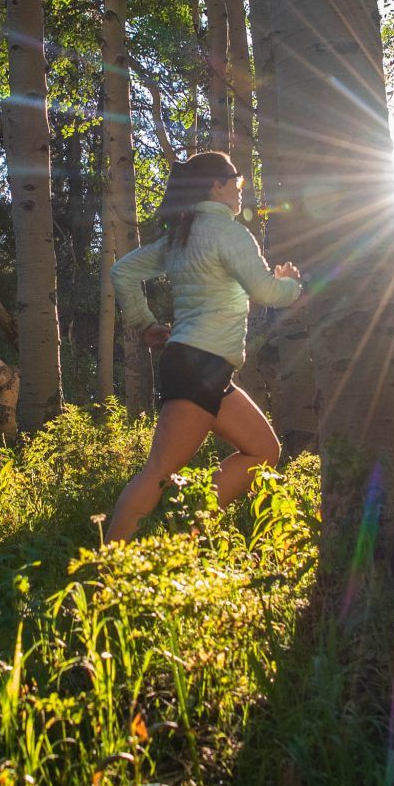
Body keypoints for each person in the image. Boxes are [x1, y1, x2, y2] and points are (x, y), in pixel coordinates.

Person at [101, 150, 303, 542]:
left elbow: (122, 271)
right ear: (216, 185)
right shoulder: (227, 232)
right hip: (200, 363)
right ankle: (109, 572)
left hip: (206, 367)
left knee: (263, 450)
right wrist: (290, 283)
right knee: (159, 471)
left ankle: (186, 537)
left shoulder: (182, 233)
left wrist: (146, 324)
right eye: (236, 182)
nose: (240, 190)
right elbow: (265, 291)